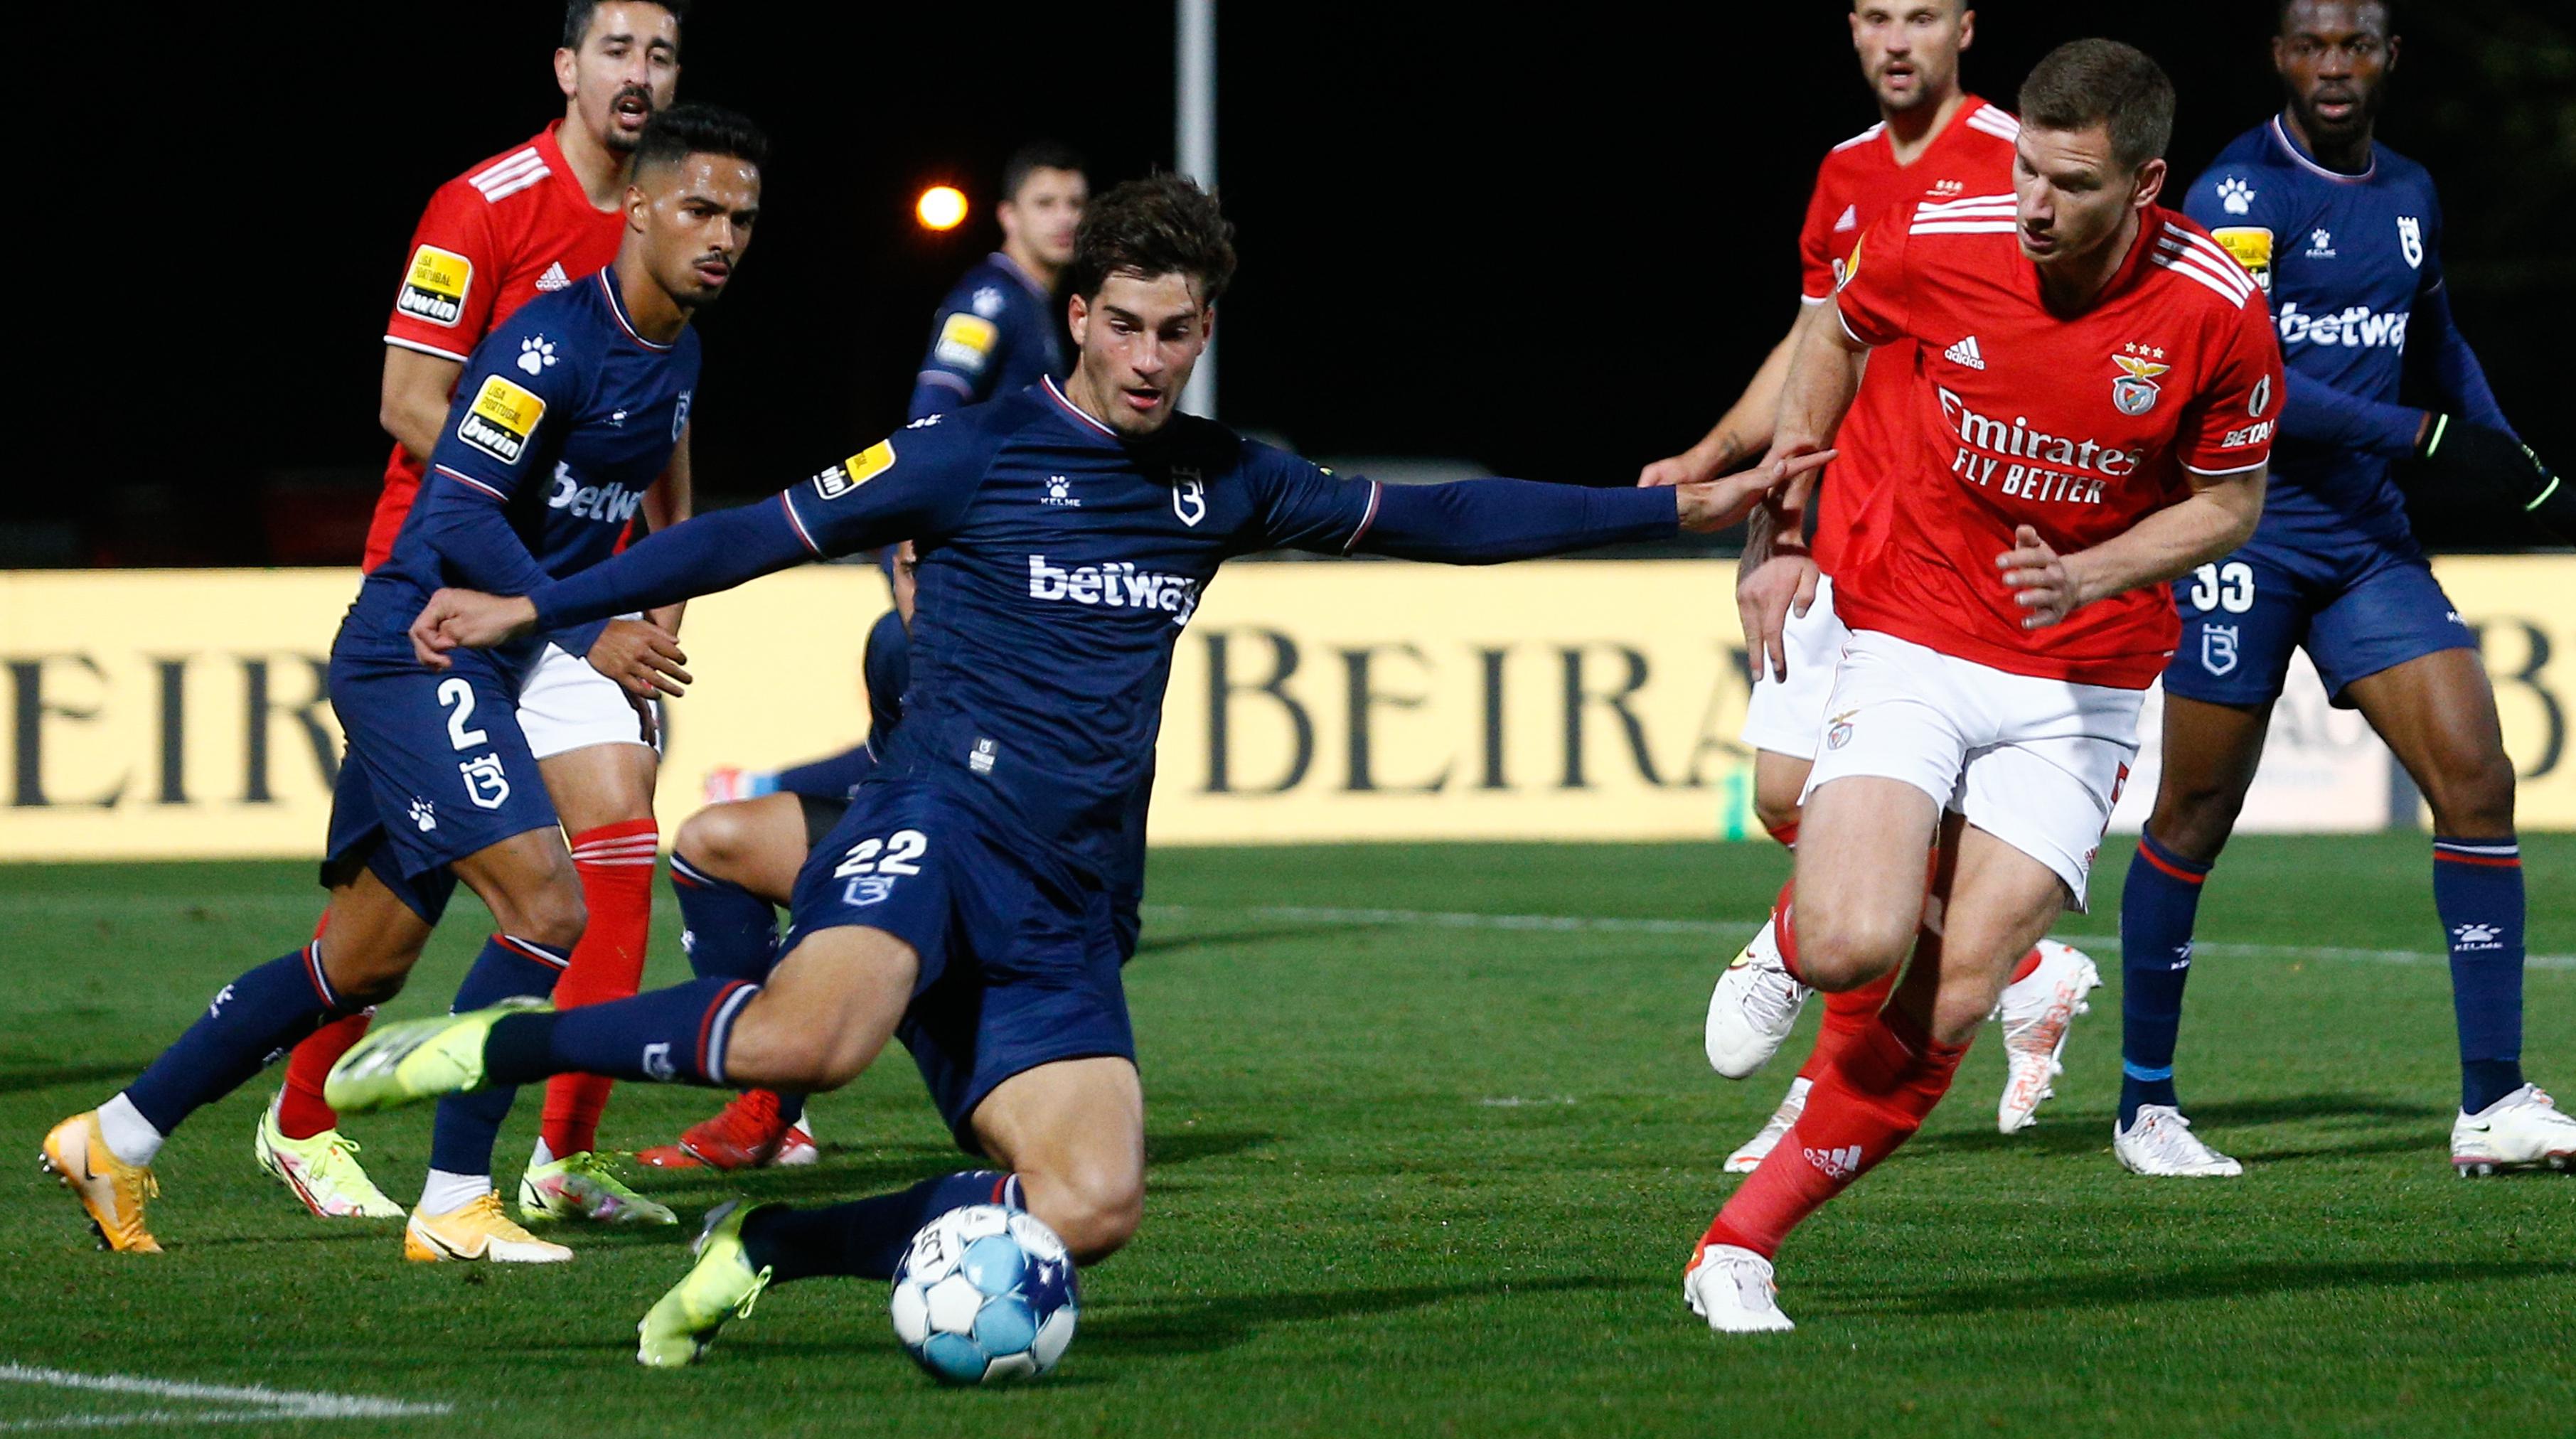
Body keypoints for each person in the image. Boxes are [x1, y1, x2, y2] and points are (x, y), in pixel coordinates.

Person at [324, 173, 1817, 1364]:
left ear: (1202, 330)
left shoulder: (1228, 479)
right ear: (1084, 319)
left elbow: (1449, 517)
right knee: (810, 1043)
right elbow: (745, 532)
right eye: (1128, 327)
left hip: (1070, 903)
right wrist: (539, 605)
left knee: (1089, 1208)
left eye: (1181, 332)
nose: (1154, 359)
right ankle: (500, 1049)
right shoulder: (971, 454)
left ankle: (777, 1248)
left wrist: (1675, 509)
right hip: (934, 823)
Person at [43, 106, 768, 1261]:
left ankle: (117, 1137)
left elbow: (640, 500)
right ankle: (454, 1199)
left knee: (358, 962)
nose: (722, 234)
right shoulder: (546, 346)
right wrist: (586, 635)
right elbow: (455, 509)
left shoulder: (675, 352)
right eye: (700, 208)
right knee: (548, 907)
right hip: (418, 649)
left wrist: (621, 610)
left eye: (741, 217)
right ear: (637, 208)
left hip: (492, 653)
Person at [1682, 40, 2285, 1332]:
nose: (2032, 204)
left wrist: (2101, 570)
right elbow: (1833, 335)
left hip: (2086, 678)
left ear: (2148, 183)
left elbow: (2233, 502)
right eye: (2025, 170)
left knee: (1956, 989)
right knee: (1857, 940)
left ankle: (1739, 1247)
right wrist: (1783, 533)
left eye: (2070, 183)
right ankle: (1792, 938)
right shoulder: (1938, 231)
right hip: (1921, 627)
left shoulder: (2216, 310)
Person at [2111, 0, 2576, 1178]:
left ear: (2391, 58)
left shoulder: (2410, 192)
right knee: (2195, 813)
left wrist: (2540, 485)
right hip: (2242, 529)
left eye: (2356, 46)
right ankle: (2147, 1105)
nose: (2333, 67)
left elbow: (2441, 349)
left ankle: (2492, 1103)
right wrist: (2430, 440)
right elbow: (2250, 378)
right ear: (2279, 57)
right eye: (2311, 46)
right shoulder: (2239, 196)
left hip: (2366, 540)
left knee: (2478, 780)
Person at [255, 0, 696, 1226]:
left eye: (661, 55)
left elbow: (664, 412)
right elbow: (409, 399)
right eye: (616, 50)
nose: (639, 75)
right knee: (412, 897)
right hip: (449, 584)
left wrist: (660, 569)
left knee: (617, 831)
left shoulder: (676, 216)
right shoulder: (485, 206)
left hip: (582, 592)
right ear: (566, 67)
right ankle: (298, 1114)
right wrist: (534, 554)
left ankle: (559, 1157)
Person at [1643, 0, 2095, 1167]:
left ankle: (1822, 1078)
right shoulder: (1843, 172)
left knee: (1875, 817)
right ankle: (2026, 970)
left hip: (1950, 552)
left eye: (1921, 17)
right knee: (1790, 794)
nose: (1898, 41)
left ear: (1964, 30)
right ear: (1851, 30)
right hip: (1843, 525)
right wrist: (1724, 464)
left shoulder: (2015, 162)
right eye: (1876, 17)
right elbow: (1814, 343)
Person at [637, 547, 920, 1171]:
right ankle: (769, 1107)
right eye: (905, 569)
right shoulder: (894, 646)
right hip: (918, 841)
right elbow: (885, 766)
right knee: (715, 842)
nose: (918, 588)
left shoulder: (1034, 639)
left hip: (1017, 867)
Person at [907, 144, 1086, 419]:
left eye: (1075, 204)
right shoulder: (990, 298)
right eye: (1045, 204)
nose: (1065, 218)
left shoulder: (1034, 301)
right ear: (1008, 216)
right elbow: (932, 410)